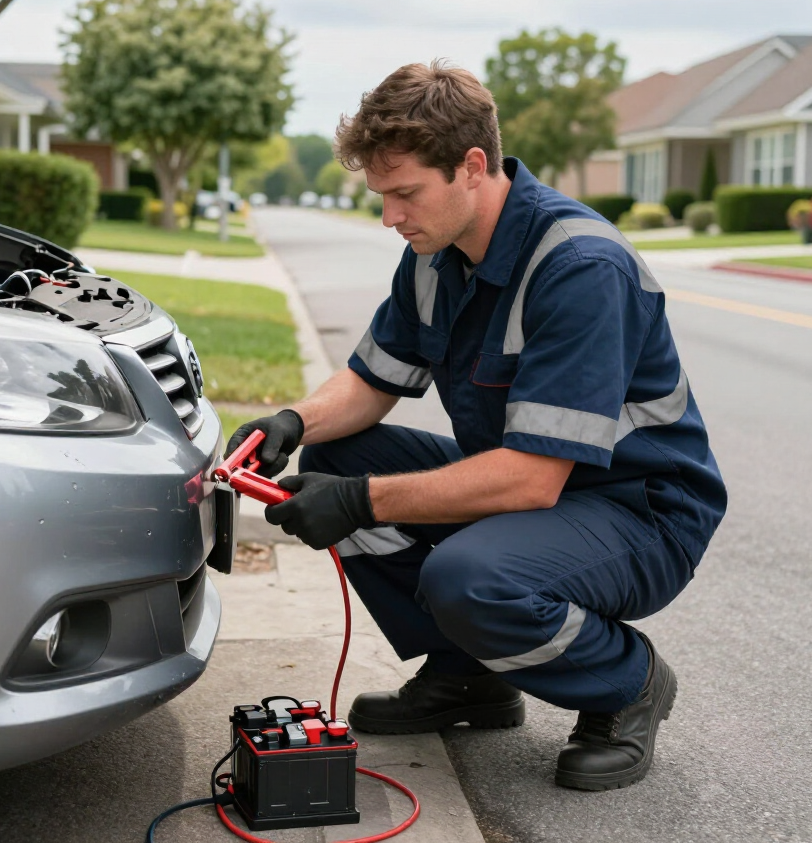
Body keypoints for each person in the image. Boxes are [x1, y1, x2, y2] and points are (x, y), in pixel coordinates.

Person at [227, 60, 726, 791]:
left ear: (471, 166)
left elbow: (529, 479)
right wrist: (293, 421)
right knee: (335, 451)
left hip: (639, 512)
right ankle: (471, 677)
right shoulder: (437, 254)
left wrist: (360, 502)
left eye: (405, 193)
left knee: (469, 578)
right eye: (381, 196)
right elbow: (371, 382)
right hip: (541, 496)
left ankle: (626, 683)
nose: (391, 216)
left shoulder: (580, 267)